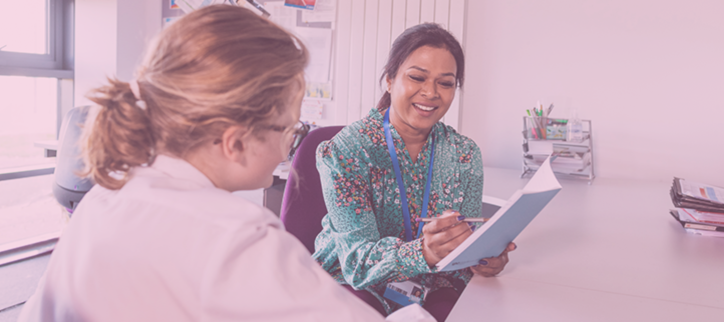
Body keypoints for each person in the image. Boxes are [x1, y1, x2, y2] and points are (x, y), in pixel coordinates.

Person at [18, 5, 428, 322]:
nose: (289, 151)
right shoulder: (235, 236)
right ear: (235, 143)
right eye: (291, 129)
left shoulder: (105, 199)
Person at [312, 23, 517, 321]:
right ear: (390, 80)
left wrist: (483, 258)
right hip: (351, 283)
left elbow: (464, 247)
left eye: (445, 83)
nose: (431, 92)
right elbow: (357, 262)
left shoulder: (464, 154)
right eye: (417, 77)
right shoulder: (345, 151)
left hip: (431, 283)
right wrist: (423, 252)